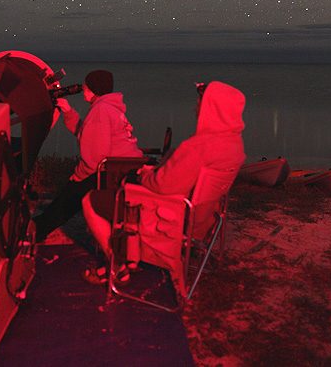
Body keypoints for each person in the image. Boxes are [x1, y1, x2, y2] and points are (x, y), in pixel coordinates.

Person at [80, 80, 246, 284]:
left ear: (214, 110)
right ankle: (129, 254)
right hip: (202, 218)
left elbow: (162, 185)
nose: (196, 107)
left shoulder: (198, 147)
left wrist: (144, 175)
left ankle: (116, 263)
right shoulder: (234, 145)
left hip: (170, 218)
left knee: (92, 200)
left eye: (200, 103)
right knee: (127, 187)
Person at [32, 70, 143, 243]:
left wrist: (76, 178)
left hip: (115, 171)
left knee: (72, 194)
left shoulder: (100, 111)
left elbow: (94, 158)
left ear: (93, 89)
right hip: (126, 168)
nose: (83, 90)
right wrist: (68, 111)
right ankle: (40, 227)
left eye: (85, 86)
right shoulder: (110, 108)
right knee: (72, 191)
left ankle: (37, 230)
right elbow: (87, 134)